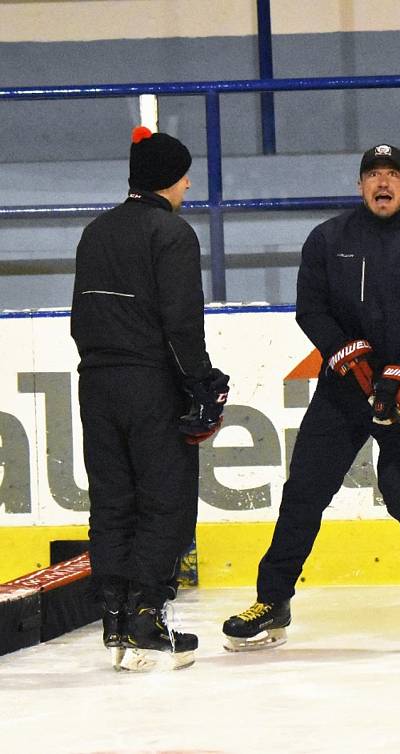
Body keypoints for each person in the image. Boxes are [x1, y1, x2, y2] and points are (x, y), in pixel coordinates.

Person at [223, 143, 400, 651]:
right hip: (342, 388)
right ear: (360, 185)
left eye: (392, 175)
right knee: (305, 490)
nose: (383, 183)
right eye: (373, 174)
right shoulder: (327, 239)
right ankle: (272, 600)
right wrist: (345, 352)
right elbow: (309, 309)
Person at [71, 126, 229, 671]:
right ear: (168, 178)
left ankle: (114, 620)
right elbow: (181, 323)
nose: (188, 183)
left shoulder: (95, 232)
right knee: (164, 498)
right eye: (184, 173)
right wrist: (202, 386)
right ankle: (146, 617)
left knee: (112, 499)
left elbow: (79, 319)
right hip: (149, 384)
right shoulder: (172, 233)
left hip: (95, 382)